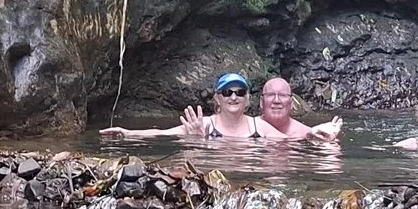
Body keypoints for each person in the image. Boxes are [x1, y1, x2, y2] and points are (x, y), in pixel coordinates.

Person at [98, 73, 263, 139]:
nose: (234, 97)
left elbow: (288, 139)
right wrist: (127, 133)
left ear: (247, 98)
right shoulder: (204, 125)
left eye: (240, 92)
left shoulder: (259, 127)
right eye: (227, 92)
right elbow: (161, 134)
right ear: (217, 99)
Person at [253, 77, 343, 141]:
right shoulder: (250, 127)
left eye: (283, 95)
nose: (276, 100)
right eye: (271, 95)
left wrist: (330, 142)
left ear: (292, 103)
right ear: (261, 102)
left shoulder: (307, 133)